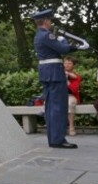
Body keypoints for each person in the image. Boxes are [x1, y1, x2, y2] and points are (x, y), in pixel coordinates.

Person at [32, 9, 83, 149]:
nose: (50, 23)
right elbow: (63, 49)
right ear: (46, 21)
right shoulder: (47, 35)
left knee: (51, 107)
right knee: (58, 107)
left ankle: (54, 138)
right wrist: (77, 46)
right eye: (50, 20)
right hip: (54, 73)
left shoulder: (38, 35)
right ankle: (57, 140)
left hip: (47, 73)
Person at [64, 56, 81, 136]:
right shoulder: (58, 74)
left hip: (71, 95)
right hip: (59, 95)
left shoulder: (76, 77)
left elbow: (73, 90)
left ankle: (71, 127)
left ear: (73, 65)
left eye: (69, 63)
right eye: (65, 63)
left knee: (70, 103)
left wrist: (66, 79)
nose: (67, 65)